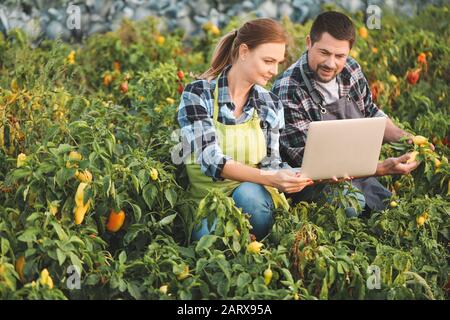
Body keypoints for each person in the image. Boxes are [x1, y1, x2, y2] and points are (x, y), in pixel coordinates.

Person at [272, 11, 424, 216]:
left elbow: (370, 112)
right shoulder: (288, 88)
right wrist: (378, 168)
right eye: (324, 53)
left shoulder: (350, 69)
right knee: (352, 205)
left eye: (340, 56)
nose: (331, 63)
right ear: (309, 42)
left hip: (358, 173)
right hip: (311, 185)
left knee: (394, 210)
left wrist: (406, 138)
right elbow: (310, 166)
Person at [176, 18, 313, 241]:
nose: (274, 70)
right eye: (268, 61)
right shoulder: (199, 93)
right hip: (207, 204)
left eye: (278, 62)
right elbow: (211, 160)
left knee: (249, 195)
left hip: (255, 199)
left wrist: (307, 174)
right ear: (244, 52)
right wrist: (270, 178)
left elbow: (272, 163)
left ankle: (256, 246)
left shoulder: (269, 102)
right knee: (212, 242)